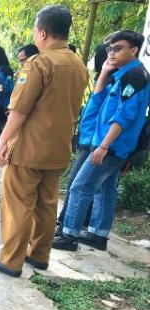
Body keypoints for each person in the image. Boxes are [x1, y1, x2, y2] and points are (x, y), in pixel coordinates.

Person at [0, 5, 88, 277]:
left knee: (18, 203)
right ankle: (40, 255)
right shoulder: (78, 64)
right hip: (59, 149)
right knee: (47, 202)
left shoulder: (38, 63)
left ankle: (11, 260)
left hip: (29, 148)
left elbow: (19, 111)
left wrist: (2, 143)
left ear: (42, 32)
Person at [53, 30, 149, 252]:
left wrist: (104, 145)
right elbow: (100, 107)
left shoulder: (134, 76)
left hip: (112, 146)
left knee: (80, 187)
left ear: (133, 50)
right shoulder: (124, 74)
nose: (111, 53)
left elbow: (125, 116)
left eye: (118, 48)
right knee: (105, 190)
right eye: (109, 49)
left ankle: (68, 235)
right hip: (109, 145)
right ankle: (98, 234)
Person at [55, 41, 111, 236]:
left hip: (94, 142)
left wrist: (101, 145)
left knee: (77, 185)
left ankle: (67, 229)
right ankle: (91, 229)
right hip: (91, 139)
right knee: (99, 188)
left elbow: (110, 116)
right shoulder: (104, 79)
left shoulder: (113, 80)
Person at [0, 46, 15, 147]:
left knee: (2, 124)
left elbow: (6, 87)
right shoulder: (3, 68)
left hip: (4, 101)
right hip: (1, 100)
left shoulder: (4, 69)